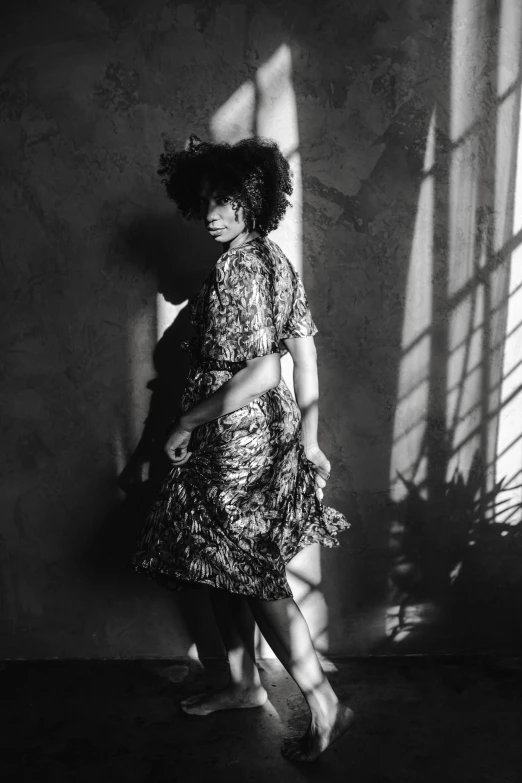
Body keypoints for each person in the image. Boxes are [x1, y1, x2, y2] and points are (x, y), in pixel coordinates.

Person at [132, 134, 353, 762]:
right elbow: (305, 355)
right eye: (204, 202)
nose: (212, 215)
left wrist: (185, 424)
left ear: (254, 200)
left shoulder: (240, 269)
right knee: (222, 566)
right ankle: (242, 685)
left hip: (234, 444)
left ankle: (324, 704)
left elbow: (262, 371)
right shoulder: (276, 262)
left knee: (254, 575)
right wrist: (306, 438)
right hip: (253, 440)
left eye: (226, 201)